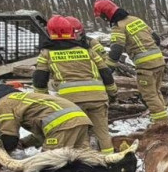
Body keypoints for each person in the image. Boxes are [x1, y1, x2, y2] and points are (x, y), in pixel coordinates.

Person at [34, 15, 117, 153]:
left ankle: (86, 164)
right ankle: (110, 163)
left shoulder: (46, 53)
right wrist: (113, 92)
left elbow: (40, 79)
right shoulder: (87, 50)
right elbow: (105, 72)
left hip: (71, 102)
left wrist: (43, 101)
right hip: (98, 98)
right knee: (103, 134)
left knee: (81, 135)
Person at [93, 0, 168, 123]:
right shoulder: (136, 20)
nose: (103, 19)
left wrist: (107, 69)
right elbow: (156, 38)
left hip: (146, 67)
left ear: (106, 14)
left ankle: (163, 125)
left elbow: (116, 49)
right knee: (155, 92)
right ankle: (163, 118)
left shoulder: (118, 27)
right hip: (159, 62)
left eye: (102, 17)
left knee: (149, 96)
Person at [0, 80, 93, 152]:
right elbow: (44, 131)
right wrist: (25, 143)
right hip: (80, 119)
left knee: (50, 165)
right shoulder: (25, 97)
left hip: (61, 125)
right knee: (83, 161)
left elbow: (9, 138)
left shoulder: (3, 104)